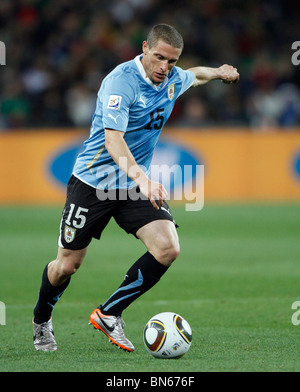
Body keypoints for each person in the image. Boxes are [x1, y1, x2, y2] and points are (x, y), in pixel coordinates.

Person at [33, 24, 239, 352]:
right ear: (144, 48)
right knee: (66, 266)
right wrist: (144, 179)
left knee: (168, 248)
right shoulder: (120, 83)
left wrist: (219, 72)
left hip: (131, 185)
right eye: (158, 58)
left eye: (171, 61)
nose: (164, 67)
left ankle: (109, 313)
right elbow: (112, 140)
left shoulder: (173, 78)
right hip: (93, 184)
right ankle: (42, 319)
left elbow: (194, 75)